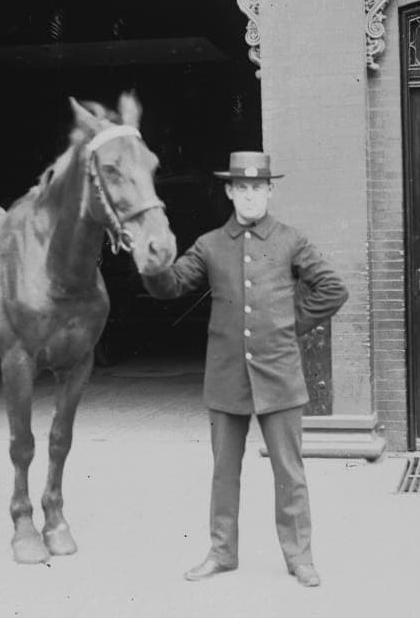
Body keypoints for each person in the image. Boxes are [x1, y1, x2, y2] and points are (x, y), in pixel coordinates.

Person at [141, 151, 348, 588]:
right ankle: (222, 553)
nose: (251, 195)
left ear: (269, 191)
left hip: (280, 376)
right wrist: (153, 264)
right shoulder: (211, 244)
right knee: (223, 473)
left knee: (290, 474)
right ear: (230, 192)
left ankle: (300, 557)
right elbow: (174, 284)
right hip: (226, 377)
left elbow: (333, 288)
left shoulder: (291, 240)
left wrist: (293, 324)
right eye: (243, 188)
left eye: (259, 187)